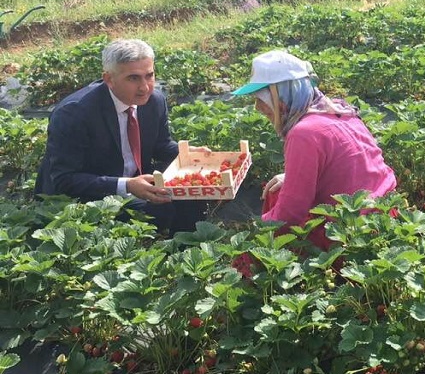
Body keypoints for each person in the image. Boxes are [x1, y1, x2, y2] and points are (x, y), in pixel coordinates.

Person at [35, 39, 207, 233]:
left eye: (149, 75)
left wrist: (184, 153)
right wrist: (127, 185)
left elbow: (160, 145)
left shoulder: (153, 101)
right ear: (109, 79)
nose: (144, 87)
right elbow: (64, 180)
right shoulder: (75, 113)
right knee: (161, 209)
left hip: (134, 182)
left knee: (192, 196)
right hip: (87, 197)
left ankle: (186, 253)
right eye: (133, 78)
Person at [232, 50, 397, 250]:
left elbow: (290, 214)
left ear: (282, 96)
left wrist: (254, 235)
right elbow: (349, 165)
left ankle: (299, 266)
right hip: (385, 216)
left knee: (268, 225)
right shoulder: (338, 109)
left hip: (351, 232)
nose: (257, 107)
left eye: (261, 98)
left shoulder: (303, 133)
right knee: (278, 188)